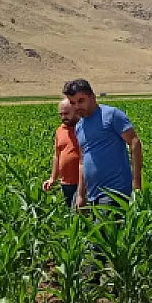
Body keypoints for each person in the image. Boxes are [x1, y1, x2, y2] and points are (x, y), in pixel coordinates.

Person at [62, 79, 143, 210]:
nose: (77, 106)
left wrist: (136, 183)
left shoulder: (111, 115)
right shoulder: (79, 126)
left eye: (81, 101)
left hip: (114, 192)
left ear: (92, 96)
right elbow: (82, 161)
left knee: (104, 229)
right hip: (92, 194)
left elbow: (134, 143)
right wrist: (81, 195)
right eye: (73, 103)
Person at [42, 99, 82, 207]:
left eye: (67, 113)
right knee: (71, 212)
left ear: (76, 110)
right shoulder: (60, 130)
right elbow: (57, 155)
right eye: (61, 114)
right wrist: (53, 178)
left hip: (83, 181)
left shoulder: (84, 127)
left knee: (80, 211)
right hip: (66, 182)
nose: (63, 117)